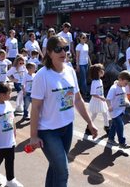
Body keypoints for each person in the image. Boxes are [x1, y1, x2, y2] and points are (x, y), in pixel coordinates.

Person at [29, 35, 98, 187]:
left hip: (67, 127)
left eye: (65, 48)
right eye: (58, 49)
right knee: (62, 172)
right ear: (49, 52)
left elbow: (78, 100)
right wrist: (33, 136)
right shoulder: (42, 76)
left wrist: (90, 123)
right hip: (48, 131)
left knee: (55, 168)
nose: (63, 52)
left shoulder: (70, 71)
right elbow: (35, 107)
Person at [0, 82, 23, 187]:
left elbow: (12, 119)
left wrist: (14, 132)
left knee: (10, 159)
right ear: (2, 95)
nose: (11, 95)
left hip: (9, 140)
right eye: (9, 92)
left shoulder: (7, 103)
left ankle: (10, 180)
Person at [106, 71, 130, 148]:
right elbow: (108, 99)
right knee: (120, 126)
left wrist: (127, 101)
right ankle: (122, 142)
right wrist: (109, 106)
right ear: (120, 80)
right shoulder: (113, 88)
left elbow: (125, 96)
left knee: (114, 125)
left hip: (121, 110)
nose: (126, 85)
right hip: (114, 111)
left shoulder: (123, 87)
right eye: (126, 83)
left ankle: (110, 139)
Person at [87, 63, 110, 135]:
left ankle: (107, 127)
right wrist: (101, 97)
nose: (103, 72)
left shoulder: (100, 81)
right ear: (97, 72)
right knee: (94, 114)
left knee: (105, 113)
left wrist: (102, 97)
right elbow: (92, 93)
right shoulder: (94, 82)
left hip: (101, 100)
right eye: (101, 71)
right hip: (97, 100)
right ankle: (88, 127)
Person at [75, 33, 92, 98]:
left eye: (85, 37)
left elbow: (87, 55)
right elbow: (77, 56)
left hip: (86, 63)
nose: (85, 39)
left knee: (81, 78)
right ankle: (87, 92)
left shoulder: (86, 45)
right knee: (84, 78)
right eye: (83, 38)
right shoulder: (78, 46)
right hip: (81, 64)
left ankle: (78, 90)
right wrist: (78, 65)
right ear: (80, 38)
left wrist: (90, 63)